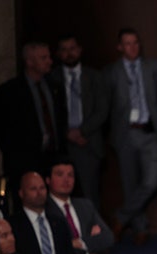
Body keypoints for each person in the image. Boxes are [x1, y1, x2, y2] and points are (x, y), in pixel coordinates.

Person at [105, 27, 157, 246]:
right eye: (127, 43)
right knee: (130, 184)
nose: (132, 47)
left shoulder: (153, 67)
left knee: (152, 181)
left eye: (135, 43)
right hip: (125, 134)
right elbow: (108, 105)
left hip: (149, 132)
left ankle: (121, 217)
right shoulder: (111, 72)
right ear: (119, 47)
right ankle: (140, 227)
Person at [0, 42, 64, 184]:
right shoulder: (10, 91)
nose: (50, 61)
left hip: (52, 159)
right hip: (23, 162)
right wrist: (14, 153)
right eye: (44, 58)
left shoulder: (53, 86)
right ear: (30, 62)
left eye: (49, 57)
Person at [49, 35, 108, 206]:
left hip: (88, 142)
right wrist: (66, 133)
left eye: (72, 48)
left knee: (89, 196)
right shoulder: (52, 78)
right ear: (58, 54)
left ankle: (91, 232)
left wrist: (81, 131)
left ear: (80, 50)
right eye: (64, 50)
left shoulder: (95, 77)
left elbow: (102, 110)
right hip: (61, 143)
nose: (69, 53)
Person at [44, 157, 115, 254]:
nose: (66, 180)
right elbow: (56, 247)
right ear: (48, 180)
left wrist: (81, 243)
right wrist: (91, 246)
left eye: (70, 175)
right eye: (60, 175)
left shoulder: (85, 205)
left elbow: (108, 238)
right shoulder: (45, 209)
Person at [10, 171, 79, 254]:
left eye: (42, 188)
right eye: (33, 189)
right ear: (21, 193)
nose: (39, 193)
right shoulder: (14, 225)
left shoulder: (59, 222)